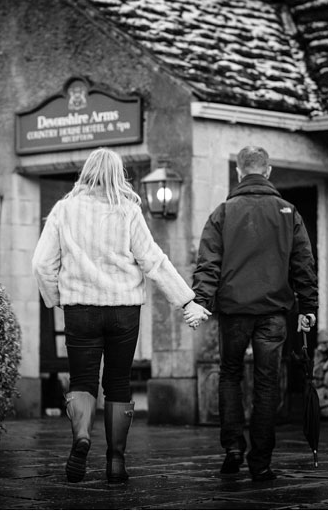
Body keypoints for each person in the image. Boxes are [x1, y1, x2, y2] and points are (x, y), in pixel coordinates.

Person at [32, 148, 211, 484]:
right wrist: (186, 301)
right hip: (123, 311)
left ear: (86, 172)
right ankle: (115, 461)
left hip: (80, 310)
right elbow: (153, 261)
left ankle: (82, 437)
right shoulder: (128, 211)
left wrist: (57, 299)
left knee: (83, 380)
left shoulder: (63, 210)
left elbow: (41, 264)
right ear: (118, 174)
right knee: (117, 381)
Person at [192, 145, 318, 482]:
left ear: (238, 171)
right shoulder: (288, 212)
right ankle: (260, 462)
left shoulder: (223, 212)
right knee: (267, 383)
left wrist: (202, 302)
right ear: (268, 171)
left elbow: (208, 263)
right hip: (274, 312)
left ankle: (233, 447)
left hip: (234, 311)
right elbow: (303, 264)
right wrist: (308, 306)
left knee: (230, 374)